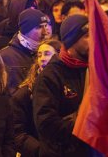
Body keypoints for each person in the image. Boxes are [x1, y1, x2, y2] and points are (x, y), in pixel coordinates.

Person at [33, 14, 90, 156]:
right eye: (87, 36)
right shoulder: (51, 75)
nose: (94, 40)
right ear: (72, 40)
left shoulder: (92, 70)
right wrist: (83, 125)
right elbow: (46, 123)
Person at [11, 39, 62, 157]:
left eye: (47, 54)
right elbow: (17, 132)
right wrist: (40, 150)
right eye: (39, 55)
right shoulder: (23, 95)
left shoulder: (66, 89)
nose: (42, 58)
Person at [0, 9, 50, 94]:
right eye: (39, 27)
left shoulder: (48, 53)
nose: (45, 32)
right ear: (26, 30)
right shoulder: (4, 56)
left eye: (45, 26)